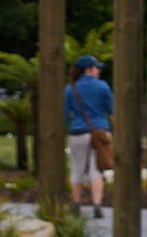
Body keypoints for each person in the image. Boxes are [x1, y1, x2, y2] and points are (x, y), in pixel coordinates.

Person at [64, 54, 113, 218]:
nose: (98, 70)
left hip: (77, 132)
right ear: (89, 69)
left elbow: (65, 114)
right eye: (96, 67)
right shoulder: (103, 86)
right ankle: (97, 205)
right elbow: (111, 110)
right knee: (96, 169)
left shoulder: (71, 88)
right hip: (99, 133)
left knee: (77, 168)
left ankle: (76, 204)